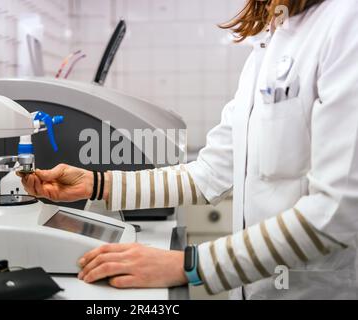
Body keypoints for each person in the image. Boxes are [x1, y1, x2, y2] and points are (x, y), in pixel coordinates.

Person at [20, 0, 358, 299]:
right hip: (258, 289)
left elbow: (337, 212)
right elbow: (210, 172)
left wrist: (191, 265)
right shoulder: (267, 44)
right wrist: (99, 184)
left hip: (317, 290)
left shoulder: (345, 21)